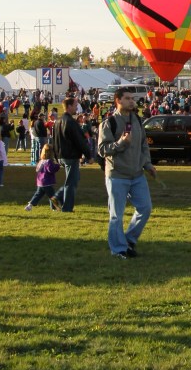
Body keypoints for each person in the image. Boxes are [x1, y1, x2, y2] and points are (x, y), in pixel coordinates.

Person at [97, 89, 157, 259]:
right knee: (116, 215)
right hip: (117, 175)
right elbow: (102, 150)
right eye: (127, 98)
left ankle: (129, 240)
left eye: (133, 98)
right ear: (118, 100)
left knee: (145, 208)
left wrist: (148, 164)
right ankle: (118, 249)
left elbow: (143, 145)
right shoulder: (109, 123)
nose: (132, 101)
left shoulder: (137, 120)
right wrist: (121, 142)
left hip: (137, 174)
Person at [52, 96, 91, 212]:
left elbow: (54, 140)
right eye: (75, 105)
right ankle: (66, 206)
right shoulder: (71, 122)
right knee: (71, 182)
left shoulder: (58, 121)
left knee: (74, 178)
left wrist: (56, 156)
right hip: (71, 155)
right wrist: (88, 155)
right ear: (69, 106)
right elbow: (80, 140)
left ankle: (57, 197)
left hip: (62, 155)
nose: (76, 108)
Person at [25, 144, 62, 211]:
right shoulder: (49, 162)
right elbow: (51, 170)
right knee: (52, 196)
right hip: (47, 182)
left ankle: (30, 205)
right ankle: (55, 208)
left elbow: (37, 170)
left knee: (38, 195)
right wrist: (57, 166)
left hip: (40, 182)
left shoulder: (41, 161)